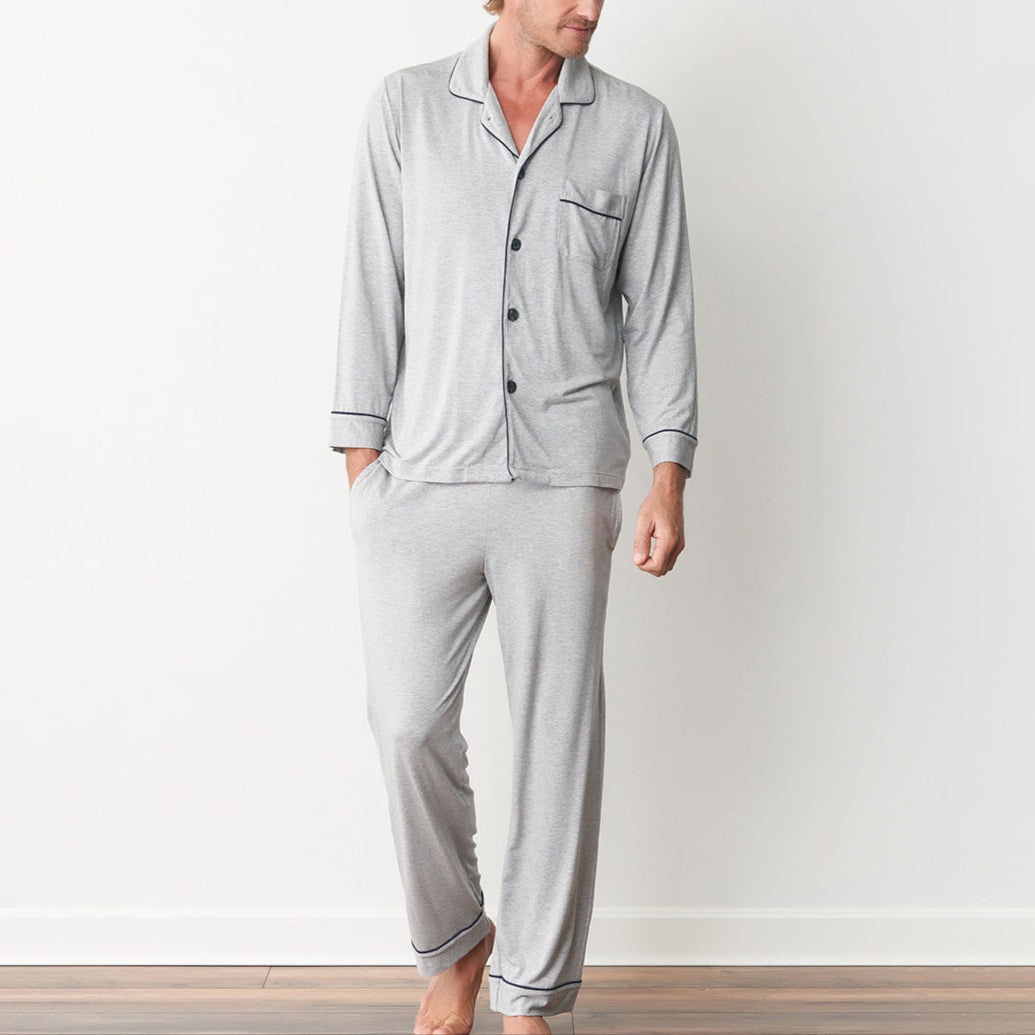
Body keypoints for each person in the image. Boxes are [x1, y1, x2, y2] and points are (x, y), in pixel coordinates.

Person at [328, 1, 697, 1031]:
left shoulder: (636, 126)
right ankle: (457, 942)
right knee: (406, 723)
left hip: (563, 481)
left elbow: (660, 312)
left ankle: (530, 995)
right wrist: (363, 470)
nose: (592, 7)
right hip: (421, 478)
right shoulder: (405, 109)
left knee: (555, 743)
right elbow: (370, 287)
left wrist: (668, 472)